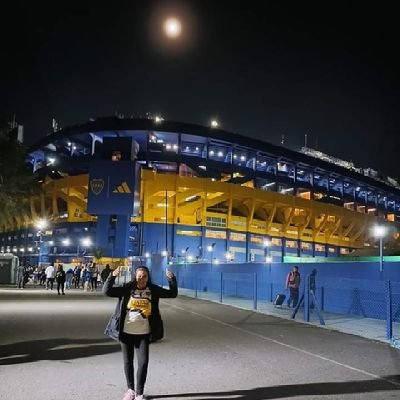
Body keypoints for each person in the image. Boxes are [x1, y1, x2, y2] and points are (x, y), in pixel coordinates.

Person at [103, 266, 177, 400]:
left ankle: (139, 393)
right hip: (126, 332)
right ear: (135, 276)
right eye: (139, 276)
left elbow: (172, 294)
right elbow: (107, 291)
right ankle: (130, 390)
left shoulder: (152, 290)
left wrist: (172, 280)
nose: (141, 279)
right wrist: (112, 276)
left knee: (143, 363)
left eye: (144, 276)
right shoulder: (127, 288)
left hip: (143, 333)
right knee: (128, 361)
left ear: (148, 278)